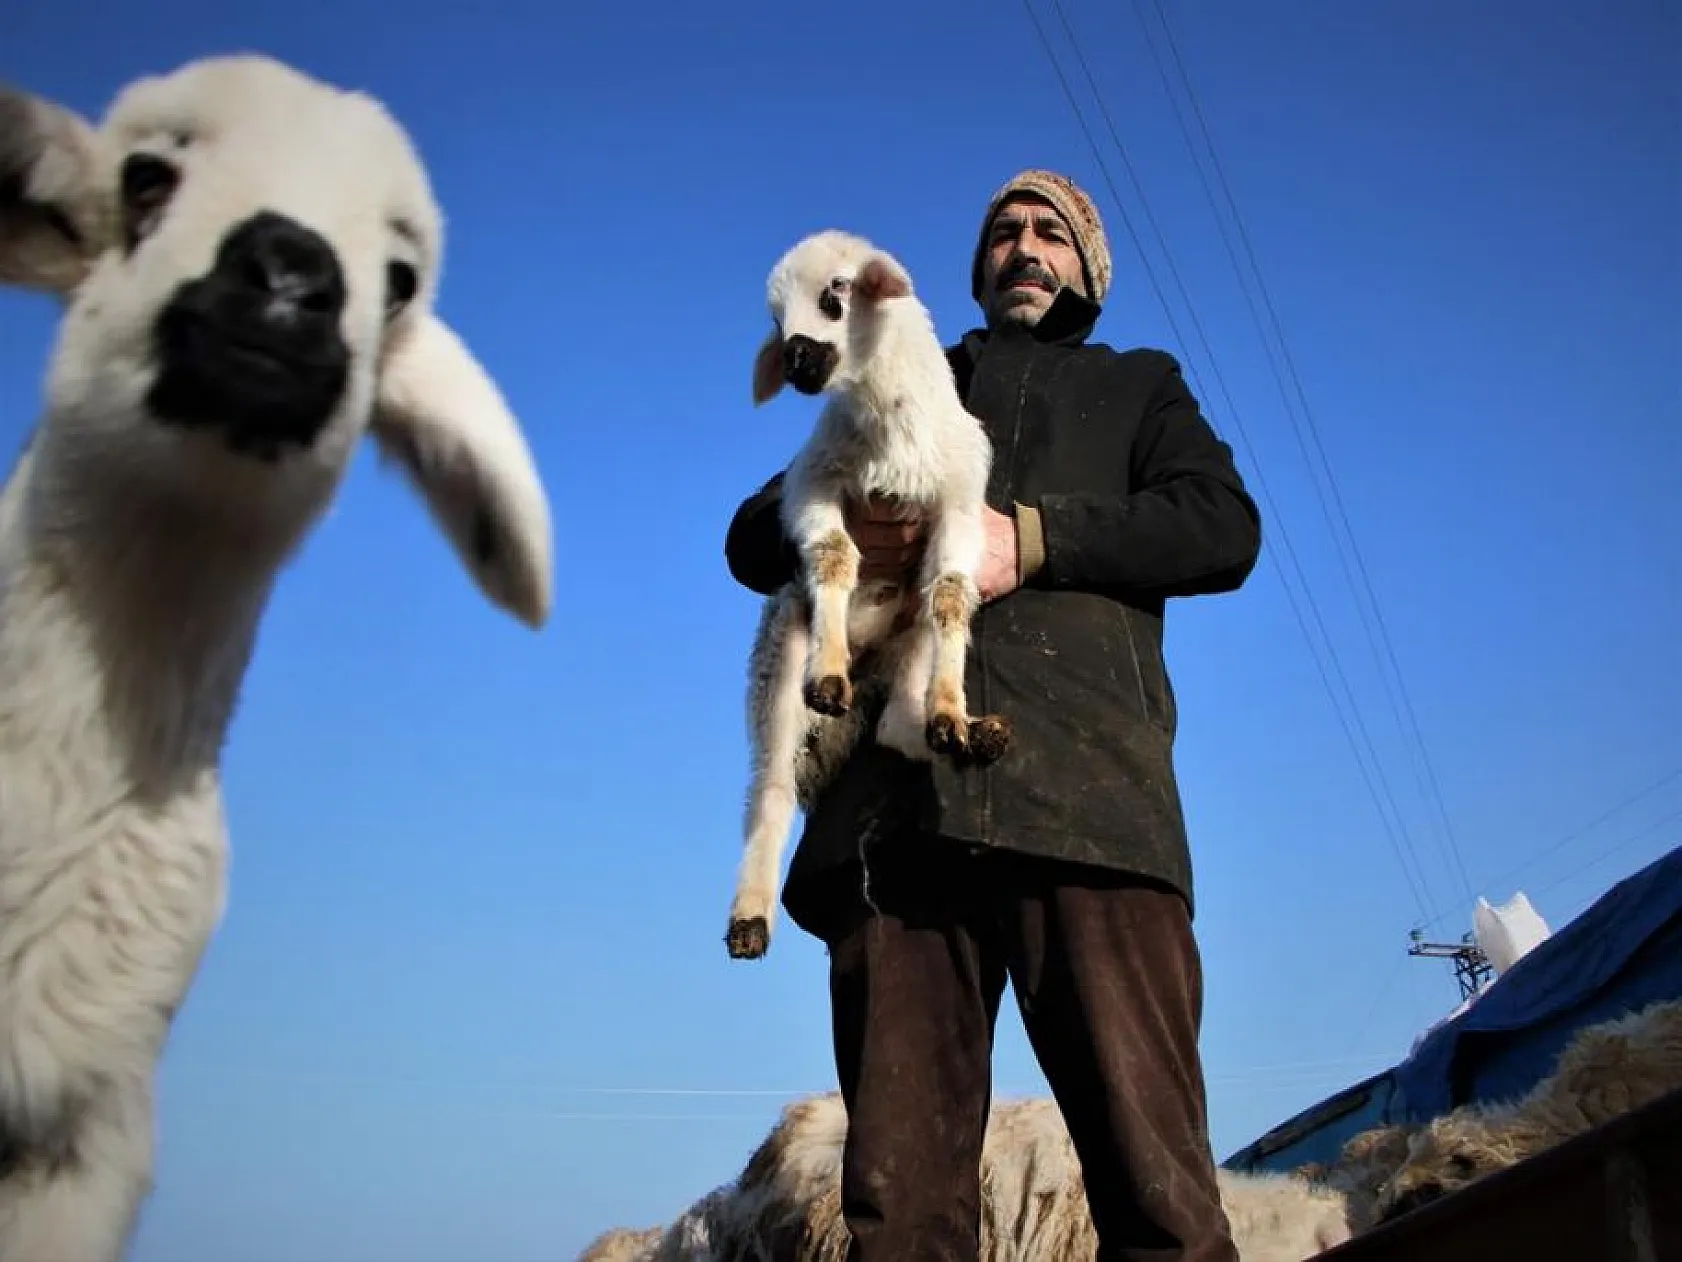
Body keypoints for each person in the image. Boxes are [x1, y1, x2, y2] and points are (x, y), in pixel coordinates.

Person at [723, 169, 1263, 1262]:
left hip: (1089, 807)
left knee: (1156, 1186)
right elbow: (748, 536)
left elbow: (1218, 526)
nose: (1025, 246)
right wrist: (854, 533)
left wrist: (1033, 538)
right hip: (895, 829)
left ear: (1086, 269)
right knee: (900, 1208)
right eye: (1004, 232)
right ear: (969, 271)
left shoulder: (1137, 388)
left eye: (1051, 233)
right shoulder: (895, 373)